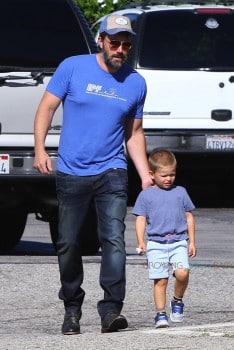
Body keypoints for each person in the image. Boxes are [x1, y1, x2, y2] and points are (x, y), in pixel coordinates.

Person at [33, 14, 152, 335]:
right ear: (101, 41)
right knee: (68, 243)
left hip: (112, 170)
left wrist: (145, 175)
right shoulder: (72, 67)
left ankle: (111, 309)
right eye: (114, 43)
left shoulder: (135, 83)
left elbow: (134, 133)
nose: (120, 49)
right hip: (72, 171)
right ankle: (72, 308)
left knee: (113, 240)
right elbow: (46, 108)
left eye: (126, 44)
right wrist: (41, 149)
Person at [132, 149, 196, 328]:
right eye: (164, 175)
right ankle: (160, 314)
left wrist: (192, 241)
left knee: (183, 273)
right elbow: (141, 219)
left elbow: (189, 216)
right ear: (152, 174)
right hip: (156, 243)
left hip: (178, 242)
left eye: (172, 174)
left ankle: (177, 300)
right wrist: (140, 240)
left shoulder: (180, 192)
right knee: (161, 280)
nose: (169, 179)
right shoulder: (146, 195)